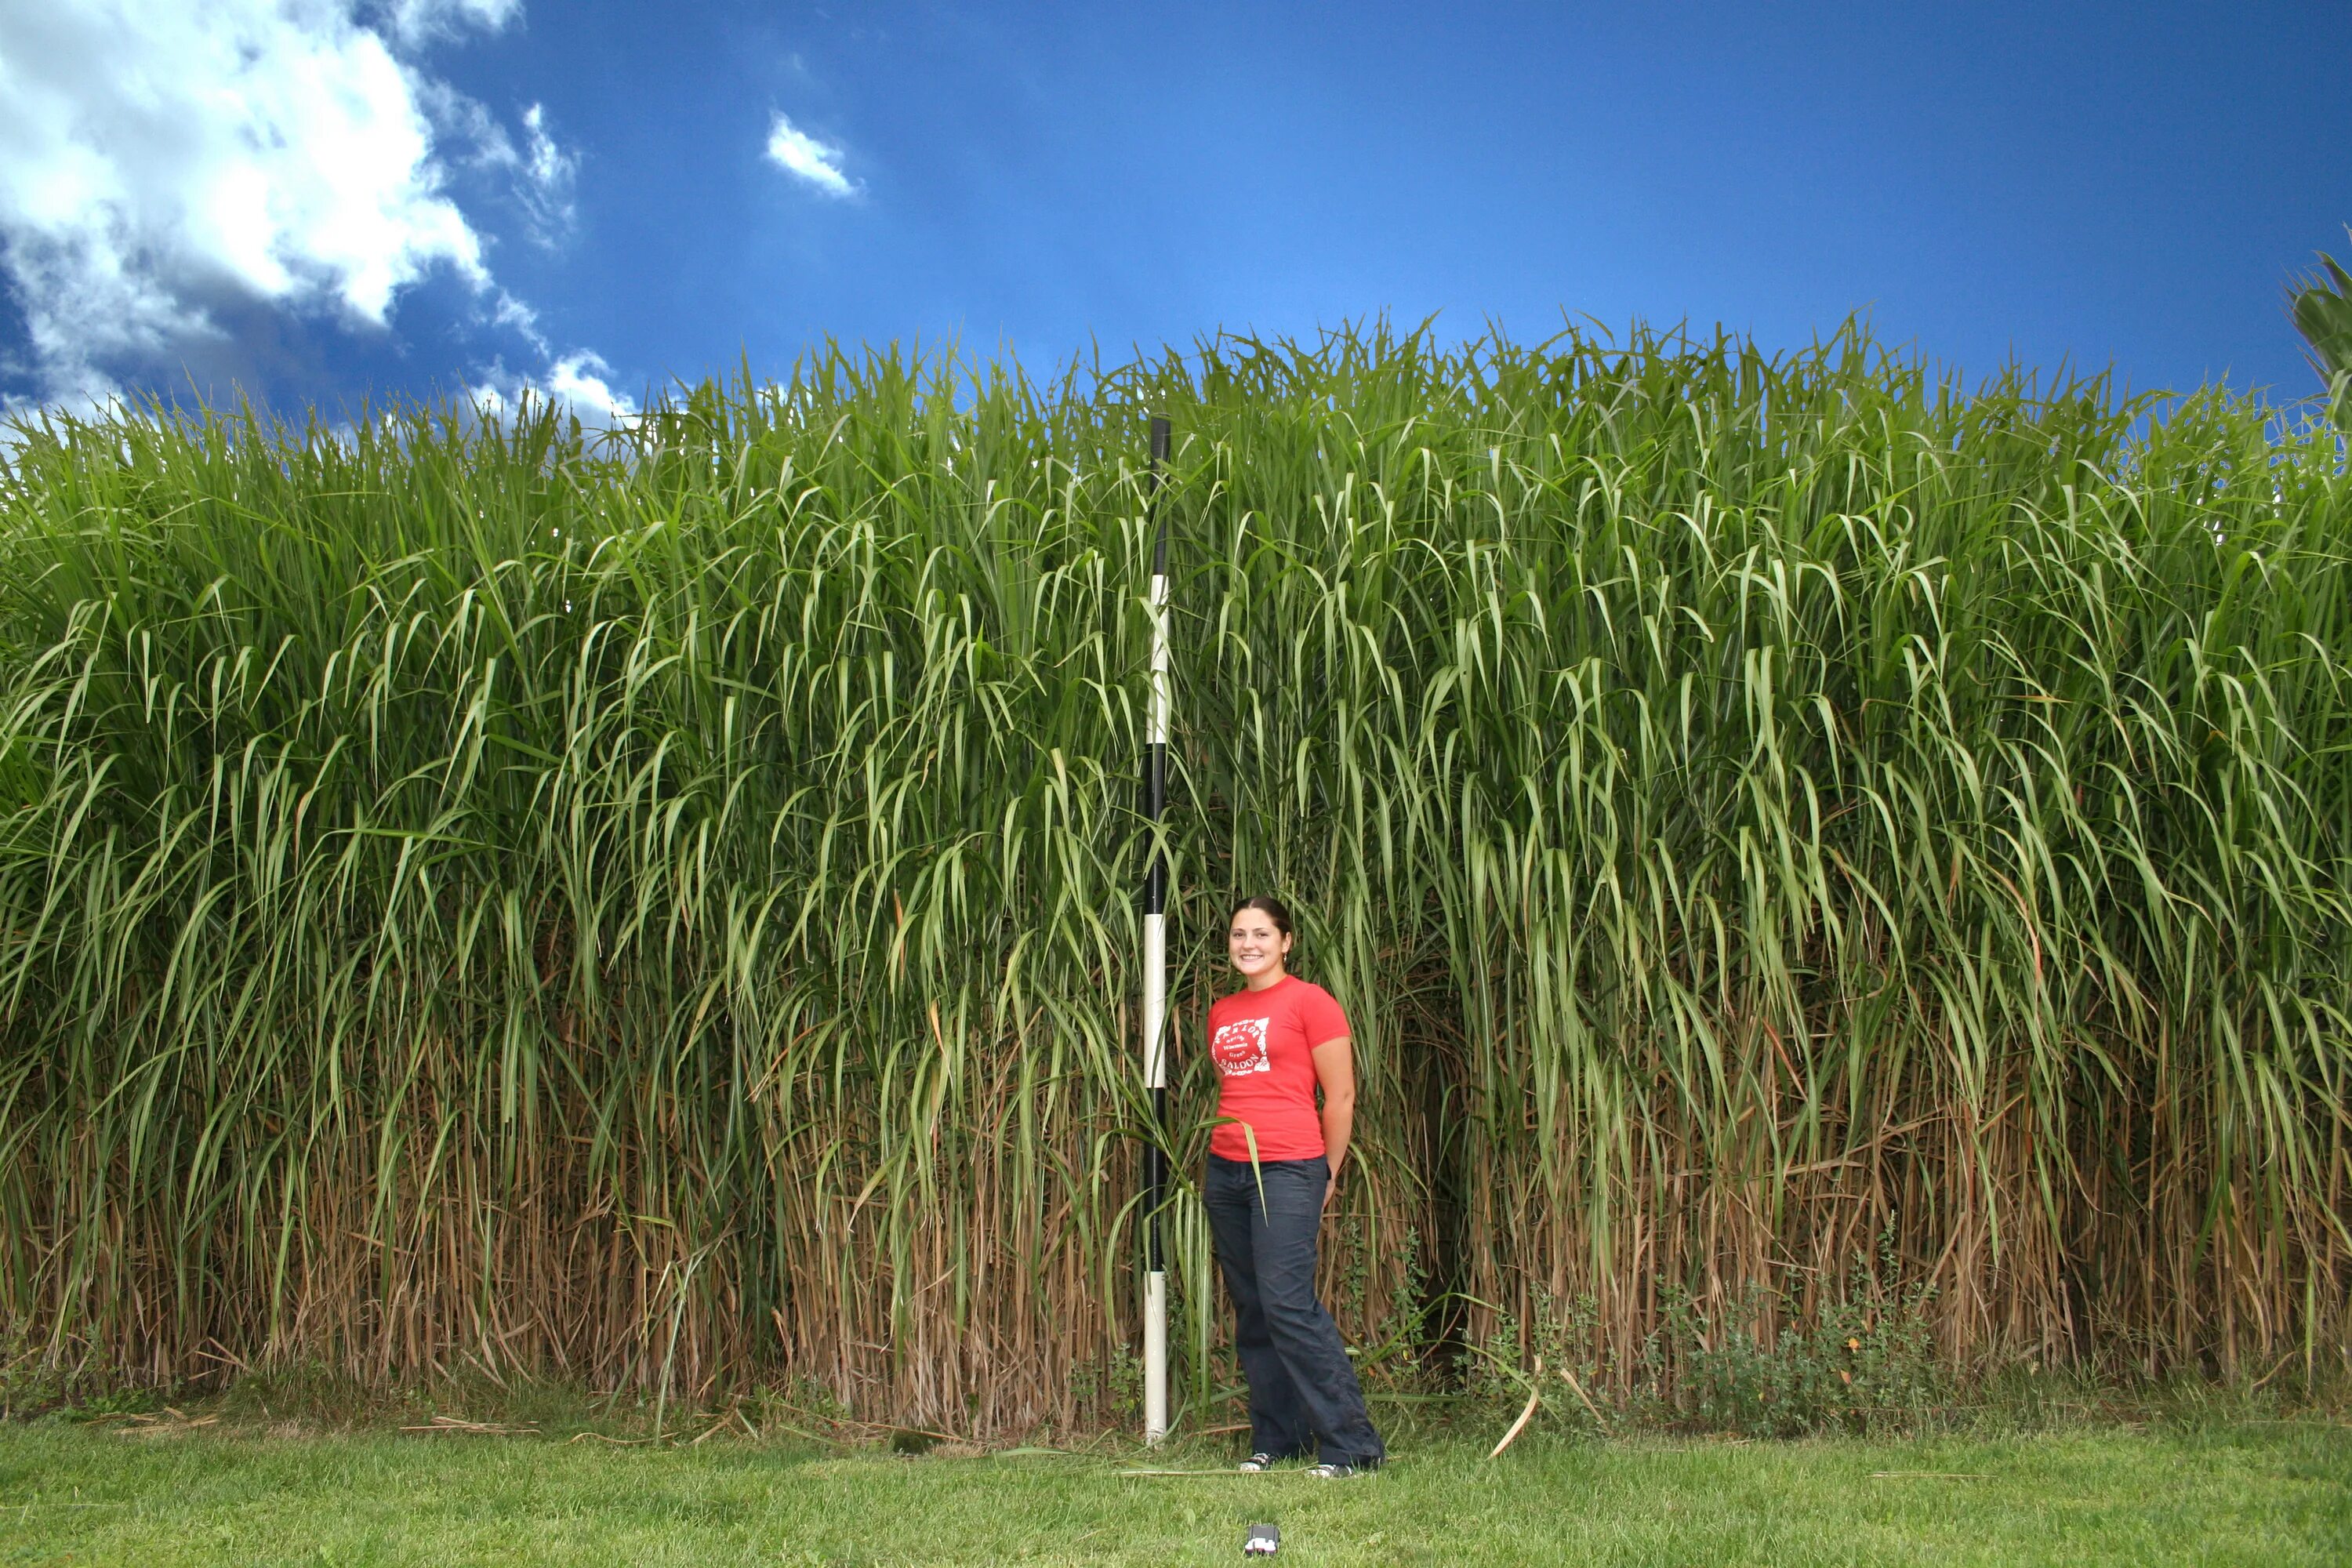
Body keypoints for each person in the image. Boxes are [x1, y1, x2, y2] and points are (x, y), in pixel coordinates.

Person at [1202, 895, 1386, 1477]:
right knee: (1254, 1308)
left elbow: (1342, 1097)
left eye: (1261, 933)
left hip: (1287, 1167)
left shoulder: (1312, 1002)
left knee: (1288, 1303)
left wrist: (1327, 1171)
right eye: (1238, 934)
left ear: (1286, 942)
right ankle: (1277, 1439)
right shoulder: (1223, 1009)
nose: (1248, 944)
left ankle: (1352, 1446)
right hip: (1227, 1169)